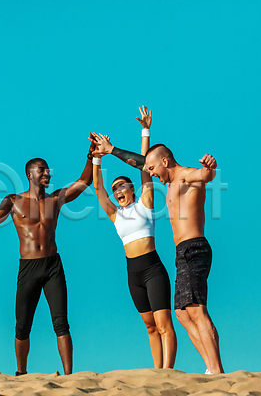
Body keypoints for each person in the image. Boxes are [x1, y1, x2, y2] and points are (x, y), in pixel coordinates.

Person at [92, 128, 224, 374]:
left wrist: (209, 168)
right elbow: (143, 164)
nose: (151, 173)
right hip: (179, 253)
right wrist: (96, 159)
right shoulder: (168, 185)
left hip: (191, 249)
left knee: (195, 310)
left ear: (164, 162)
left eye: (153, 169)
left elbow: (203, 175)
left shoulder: (180, 179)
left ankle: (215, 370)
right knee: (182, 314)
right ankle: (210, 367)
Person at [0, 142, 94, 376]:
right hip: (28, 267)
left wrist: (91, 156)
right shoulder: (14, 201)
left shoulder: (55, 199)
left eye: (47, 170)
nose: (47, 173)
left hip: (52, 265)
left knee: (61, 322)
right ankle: (21, 374)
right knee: (22, 326)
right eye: (41, 169)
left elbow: (85, 181)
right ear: (30, 174)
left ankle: (69, 377)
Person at [89, 106, 176, 369]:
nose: (117, 191)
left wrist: (145, 131)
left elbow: (144, 166)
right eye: (114, 188)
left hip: (152, 269)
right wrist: (96, 158)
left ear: (132, 188)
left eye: (121, 186)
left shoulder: (145, 203)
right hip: (132, 273)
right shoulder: (115, 215)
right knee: (150, 327)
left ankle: (168, 373)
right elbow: (97, 187)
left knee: (164, 324)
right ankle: (157, 372)